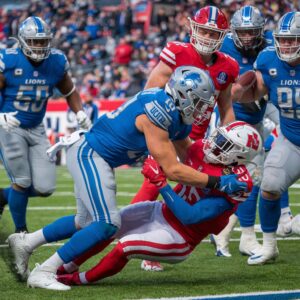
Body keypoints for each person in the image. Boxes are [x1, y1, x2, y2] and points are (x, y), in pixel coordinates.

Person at [7, 66, 248, 290]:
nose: (201, 110)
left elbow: (189, 154)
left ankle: (26, 243)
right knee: (107, 224)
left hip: (96, 155)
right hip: (90, 153)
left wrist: (217, 167)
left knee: (86, 221)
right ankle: (46, 271)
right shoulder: (160, 111)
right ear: (182, 95)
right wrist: (218, 182)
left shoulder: (174, 112)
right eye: (197, 102)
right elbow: (173, 170)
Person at [53, 121, 262, 287]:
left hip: (181, 236)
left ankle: (78, 280)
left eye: (223, 144)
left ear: (239, 155)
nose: (214, 142)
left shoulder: (238, 184)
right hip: (160, 211)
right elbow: (176, 146)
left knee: (125, 247)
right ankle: (67, 267)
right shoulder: (200, 149)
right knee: (109, 225)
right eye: (218, 137)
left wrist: (161, 183)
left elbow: (189, 217)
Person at [129, 5, 239, 271]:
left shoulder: (227, 66)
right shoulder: (177, 53)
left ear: (222, 36)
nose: (207, 38)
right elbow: (149, 93)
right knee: (156, 180)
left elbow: (225, 107)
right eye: (203, 30)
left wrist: (233, 139)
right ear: (192, 28)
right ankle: (127, 228)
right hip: (168, 130)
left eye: (213, 33)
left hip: (197, 141)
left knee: (194, 190)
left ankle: (156, 238)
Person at [0, 16, 91, 232]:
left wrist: (80, 112)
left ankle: (3, 195)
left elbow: (69, 91)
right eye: (34, 41)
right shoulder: (9, 60)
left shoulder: (56, 62)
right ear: (22, 40)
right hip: (9, 127)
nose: (39, 46)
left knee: (45, 187)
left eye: (42, 41)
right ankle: (21, 231)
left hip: (37, 128)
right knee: (22, 180)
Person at [231, 11, 300, 265]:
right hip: (292, 138)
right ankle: (269, 246)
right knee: (269, 185)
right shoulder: (268, 58)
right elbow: (255, 94)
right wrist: (240, 92)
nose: (287, 45)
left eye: (294, 40)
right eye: (284, 39)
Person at [209, 5, 273, 258]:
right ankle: (244, 236)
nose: (247, 37)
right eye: (242, 32)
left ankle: (223, 233)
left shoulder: (270, 46)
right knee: (250, 179)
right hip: (230, 122)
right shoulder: (222, 48)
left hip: (258, 118)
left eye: (252, 32)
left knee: (255, 179)